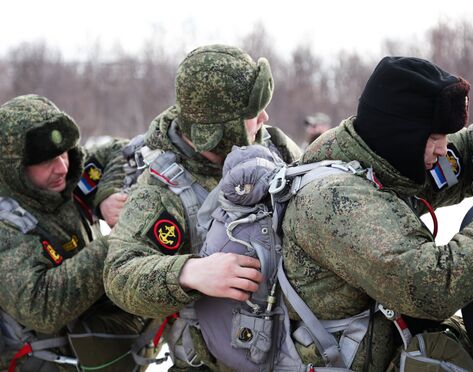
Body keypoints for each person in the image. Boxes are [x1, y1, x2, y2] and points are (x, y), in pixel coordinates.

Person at [280, 56, 473, 370]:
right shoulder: (340, 201)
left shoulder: (376, 153)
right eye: (434, 138)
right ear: (401, 136)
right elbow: (432, 287)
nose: (442, 148)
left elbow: (457, 160)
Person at [103, 44, 301, 370]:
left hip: (289, 350)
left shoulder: (273, 146)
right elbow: (119, 275)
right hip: (210, 359)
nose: (264, 118)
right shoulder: (160, 189)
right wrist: (189, 273)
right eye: (252, 113)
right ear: (217, 131)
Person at [0, 94, 153, 371]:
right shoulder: (6, 226)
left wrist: (106, 195)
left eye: (63, 153)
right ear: (15, 167)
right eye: (47, 161)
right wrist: (116, 243)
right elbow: (41, 306)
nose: (61, 167)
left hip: (96, 352)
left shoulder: (67, 180)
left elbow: (122, 151)